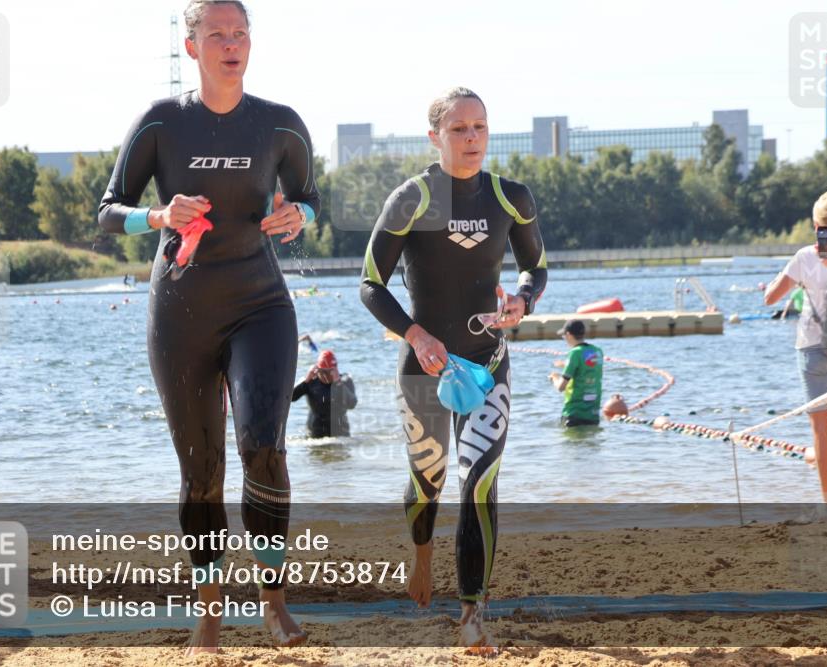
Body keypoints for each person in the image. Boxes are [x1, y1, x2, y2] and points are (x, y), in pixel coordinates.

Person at [97, 0, 319, 653]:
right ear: (191, 46)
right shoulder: (162, 122)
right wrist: (159, 216)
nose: (231, 44)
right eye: (216, 34)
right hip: (182, 309)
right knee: (201, 472)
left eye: (241, 33)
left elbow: (307, 197)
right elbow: (110, 212)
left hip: (260, 302)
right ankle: (209, 609)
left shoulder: (281, 125)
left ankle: (274, 602)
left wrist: (298, 214)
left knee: (264, 446)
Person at [359, 87, 547, 654]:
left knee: (481, 483)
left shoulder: (511, 197)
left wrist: (521, 301)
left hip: (488, 363)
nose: (471, 139)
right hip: (424, 368)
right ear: (435, 136)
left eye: (480, 128)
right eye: (459, 129)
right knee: (429, 478)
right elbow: (370, 284)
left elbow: (535, 268)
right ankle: (421, 556)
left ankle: (472, 612)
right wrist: (415, 334)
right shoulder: (413, 199)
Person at [764, 188, 827, 510]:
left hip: (813, 350)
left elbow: (770, 298)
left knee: (822, 430)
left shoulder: (804, 257)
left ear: (815, 224)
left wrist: (798, 278)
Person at [548, 319, 604, 427]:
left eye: (564, 336)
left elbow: (561, 387)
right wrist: (565, 365)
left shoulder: (574, 353)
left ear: (568, 335)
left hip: (574, 414)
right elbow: (587, 369)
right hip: (593, 415)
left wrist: (554, 378)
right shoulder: (597, 351)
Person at [291, 350, 357, 438]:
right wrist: (305, 381)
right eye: (322, 372)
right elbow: (290, 398)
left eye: (329, 372)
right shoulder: (310, 382)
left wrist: (338, 383)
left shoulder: (345, 381)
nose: (325, 376)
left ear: (335, 369)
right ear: (317, 369)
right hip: (315, 436)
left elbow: (352, 404)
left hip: (340, 436)